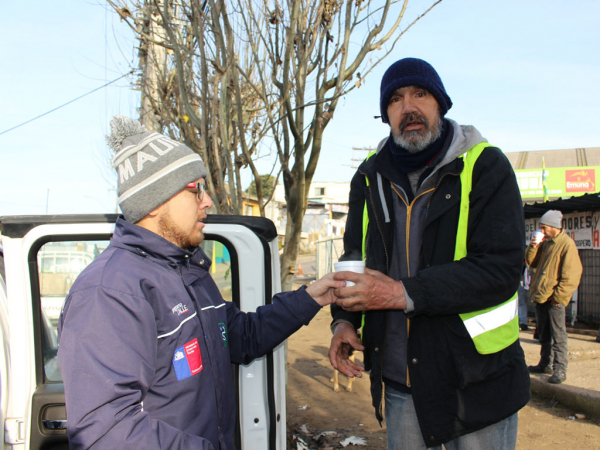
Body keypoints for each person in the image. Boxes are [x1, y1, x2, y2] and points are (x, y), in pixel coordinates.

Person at [57, 116, 343, 450]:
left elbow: (241, 336)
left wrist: (310, 298)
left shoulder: (189, 271)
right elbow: (105, 432)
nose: (207, 201)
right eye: (196, 189)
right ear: (155, 201)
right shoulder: (109, 292)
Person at [328, 57, 530, 449]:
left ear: (440, 103)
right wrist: (343, 320)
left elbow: (501, 268)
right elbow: (353, 257)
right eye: (396, 99)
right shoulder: (369, 177)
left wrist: (401, 293)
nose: (409, 108)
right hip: (402, 378)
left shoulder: (486, 166)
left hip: (476, 381)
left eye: (420, 94)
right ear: (385, 114)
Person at [525, 210, 582, 384]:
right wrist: (533, 246)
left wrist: (558, 296)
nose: (541, 229)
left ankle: (560, 369)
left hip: (554, 298)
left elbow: (572, 274)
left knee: (558, 335)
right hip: (542, 295)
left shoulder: (566, 244)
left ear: (554, 226)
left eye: (544, 226)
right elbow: (531, 262)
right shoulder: (546, 243)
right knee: (544, 333)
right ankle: (545, 364)